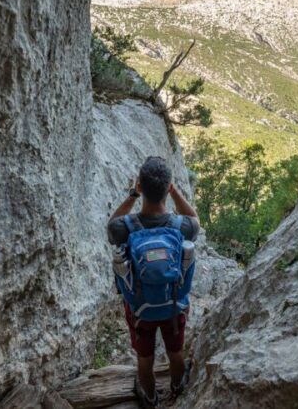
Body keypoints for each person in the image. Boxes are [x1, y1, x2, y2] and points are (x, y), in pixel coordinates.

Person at [107, 156, 200, 408]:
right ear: (168, 187)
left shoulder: (125, 228)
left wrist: (131, 196)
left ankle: (149, 397)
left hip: (139, 309)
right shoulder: (181, 227)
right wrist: (176, 192)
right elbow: (195, 220)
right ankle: (178, 386)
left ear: (140, 185)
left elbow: (110, 225)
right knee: (175, 352)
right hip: (173, 305)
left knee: (145, 358)